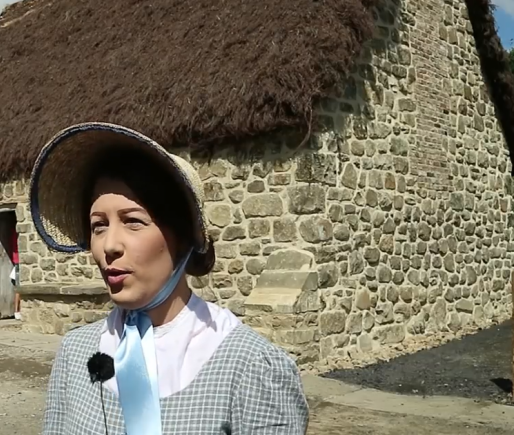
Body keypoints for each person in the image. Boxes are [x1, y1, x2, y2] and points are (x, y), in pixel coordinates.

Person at [30, 123, 309, 435]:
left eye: (133, 221)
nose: (109, 245)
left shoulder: (252, 366)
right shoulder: (76, 353)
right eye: (98, 226)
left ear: (184, 237)